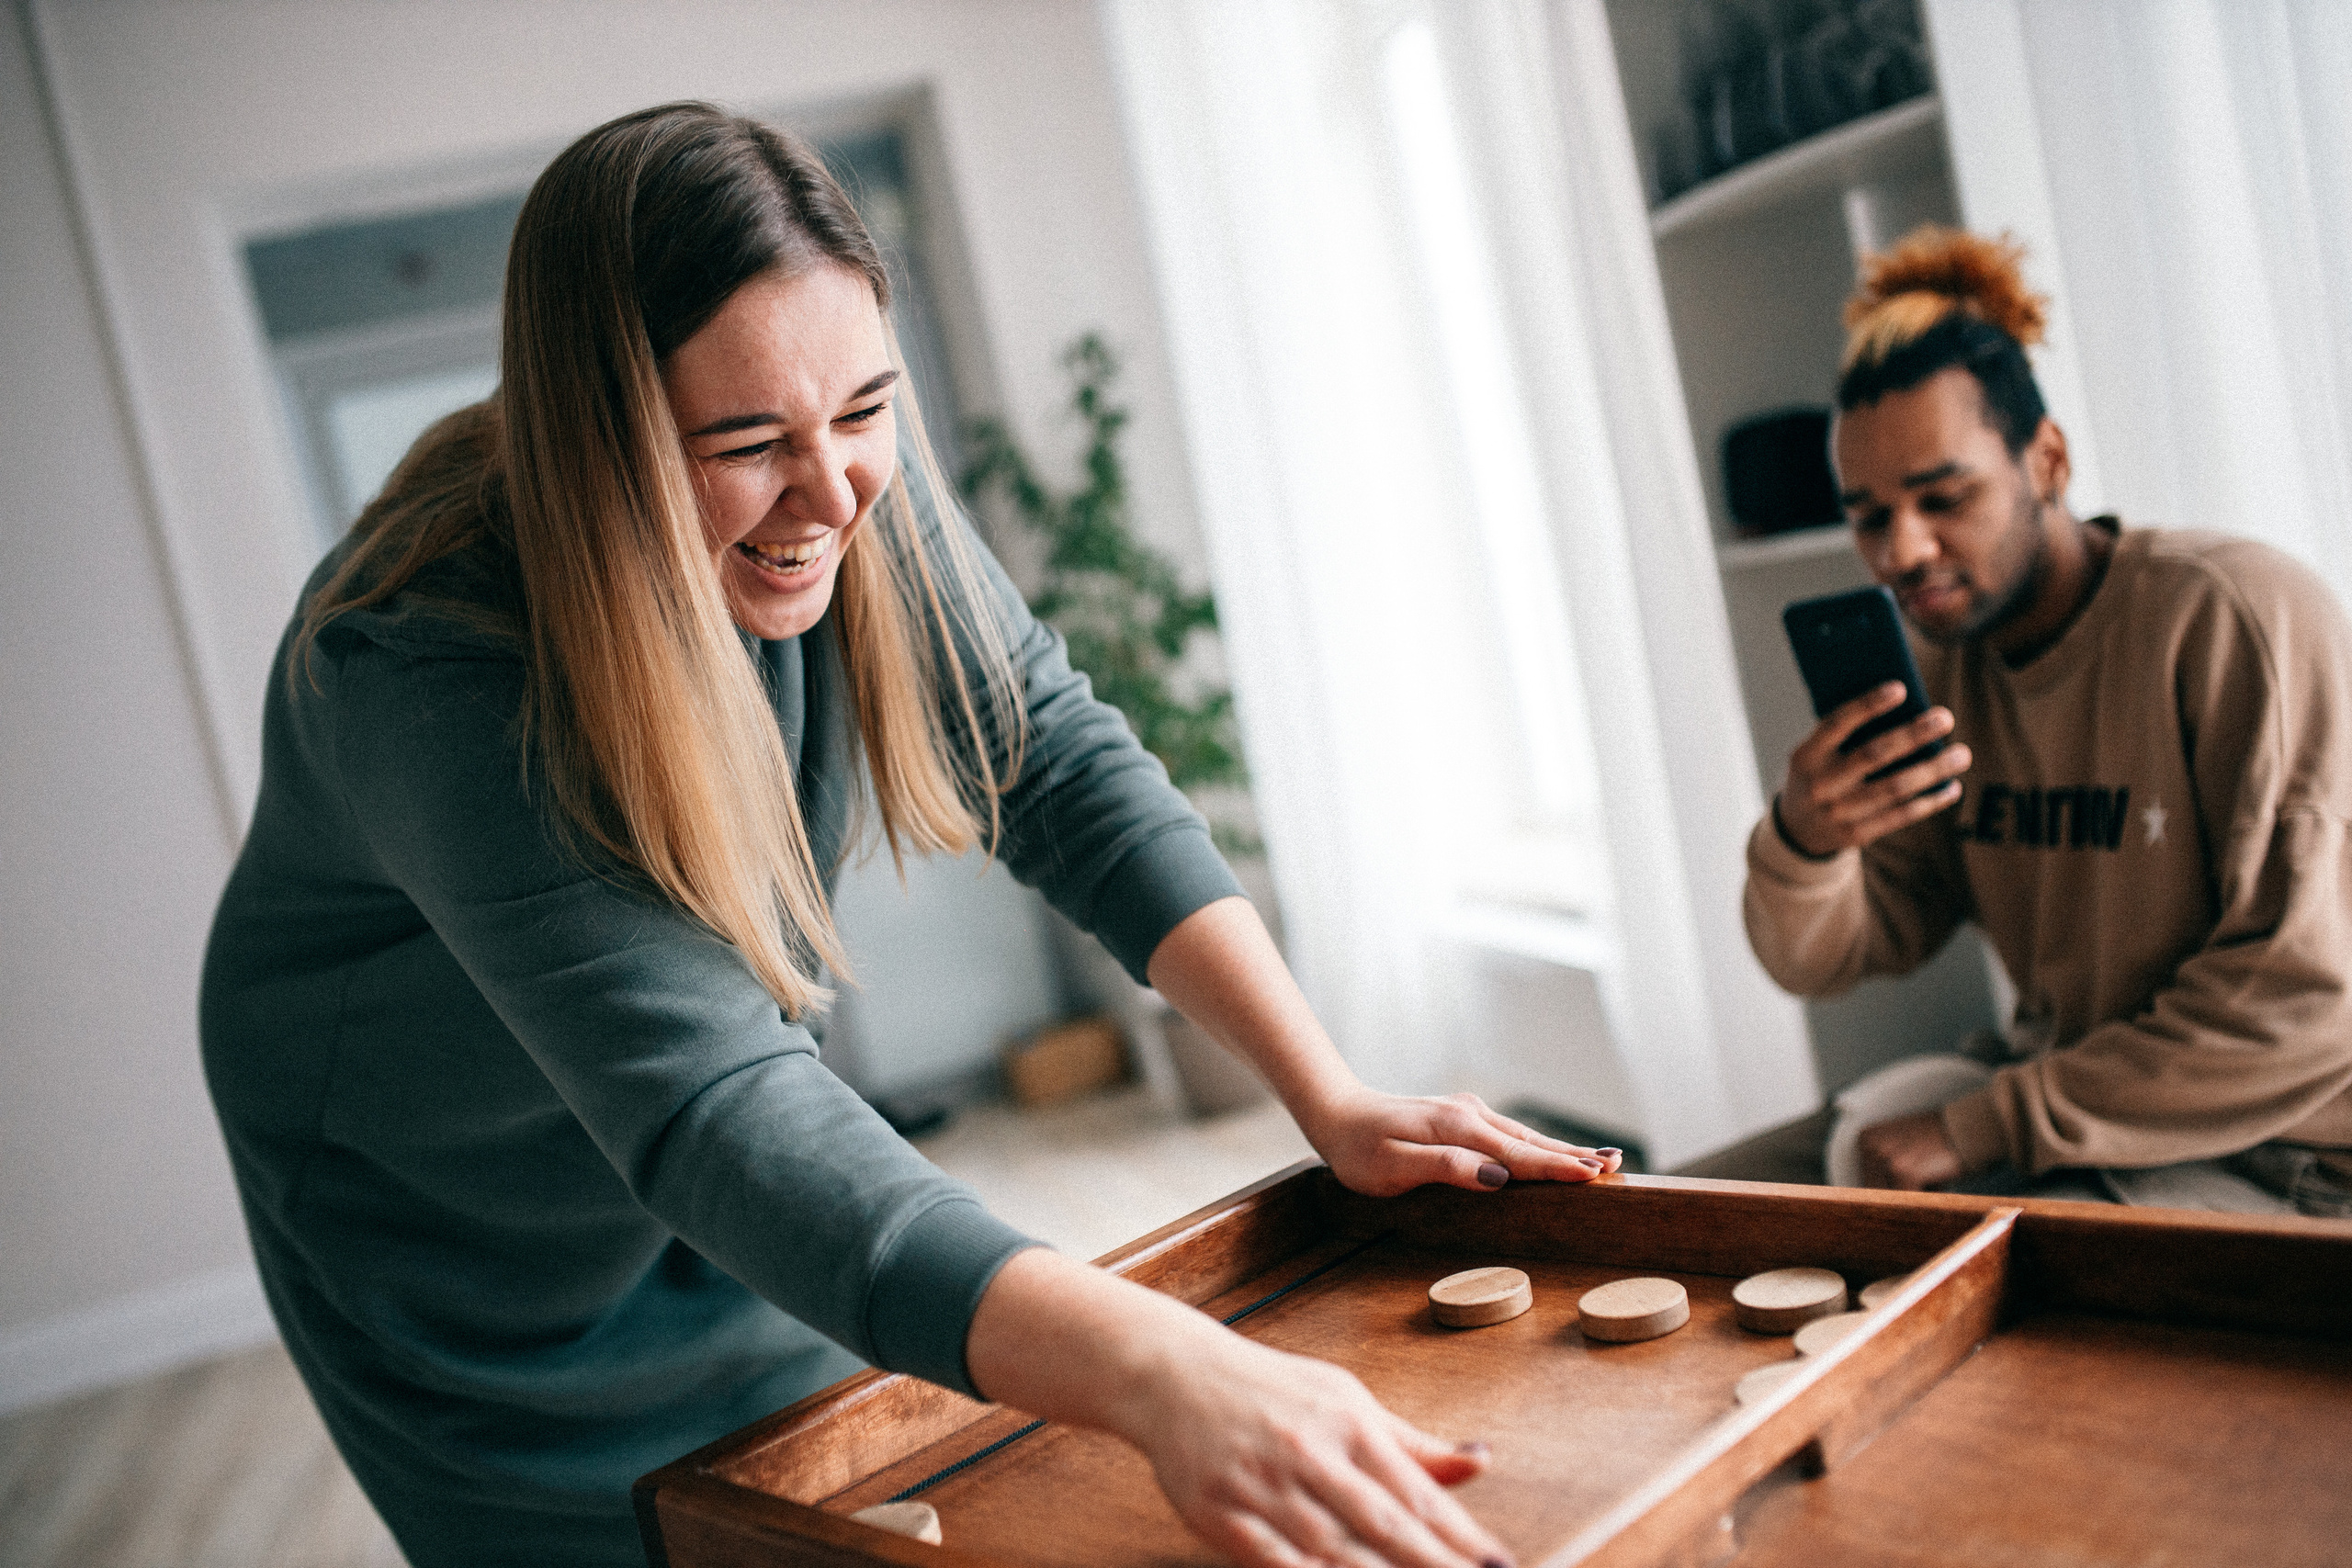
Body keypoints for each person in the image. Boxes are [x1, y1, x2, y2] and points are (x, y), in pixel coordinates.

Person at [198, 103, 1622, 1568]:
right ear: (603, 447)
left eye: (868, 409)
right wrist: (1163, 1365)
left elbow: (1056, 764)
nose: (831, 494)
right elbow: (719, 1109)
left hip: (699, 1152)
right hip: (458, 1237)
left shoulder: (844, 482)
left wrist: (1327, 1090)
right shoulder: (421, 668)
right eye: (745, 442)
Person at [1693, 226, 2352, 1217]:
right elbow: (1824, 956)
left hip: (2284, 1148)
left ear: (2045, 460)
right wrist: (1805, 843)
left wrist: (1981, 1127)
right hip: (2075, 1110)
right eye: (1868, 516)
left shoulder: (2234, 615)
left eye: (1942, 497)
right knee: (1714, 1207)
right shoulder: (1945, 670)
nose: (1901, 551)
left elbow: (2306, 1000)